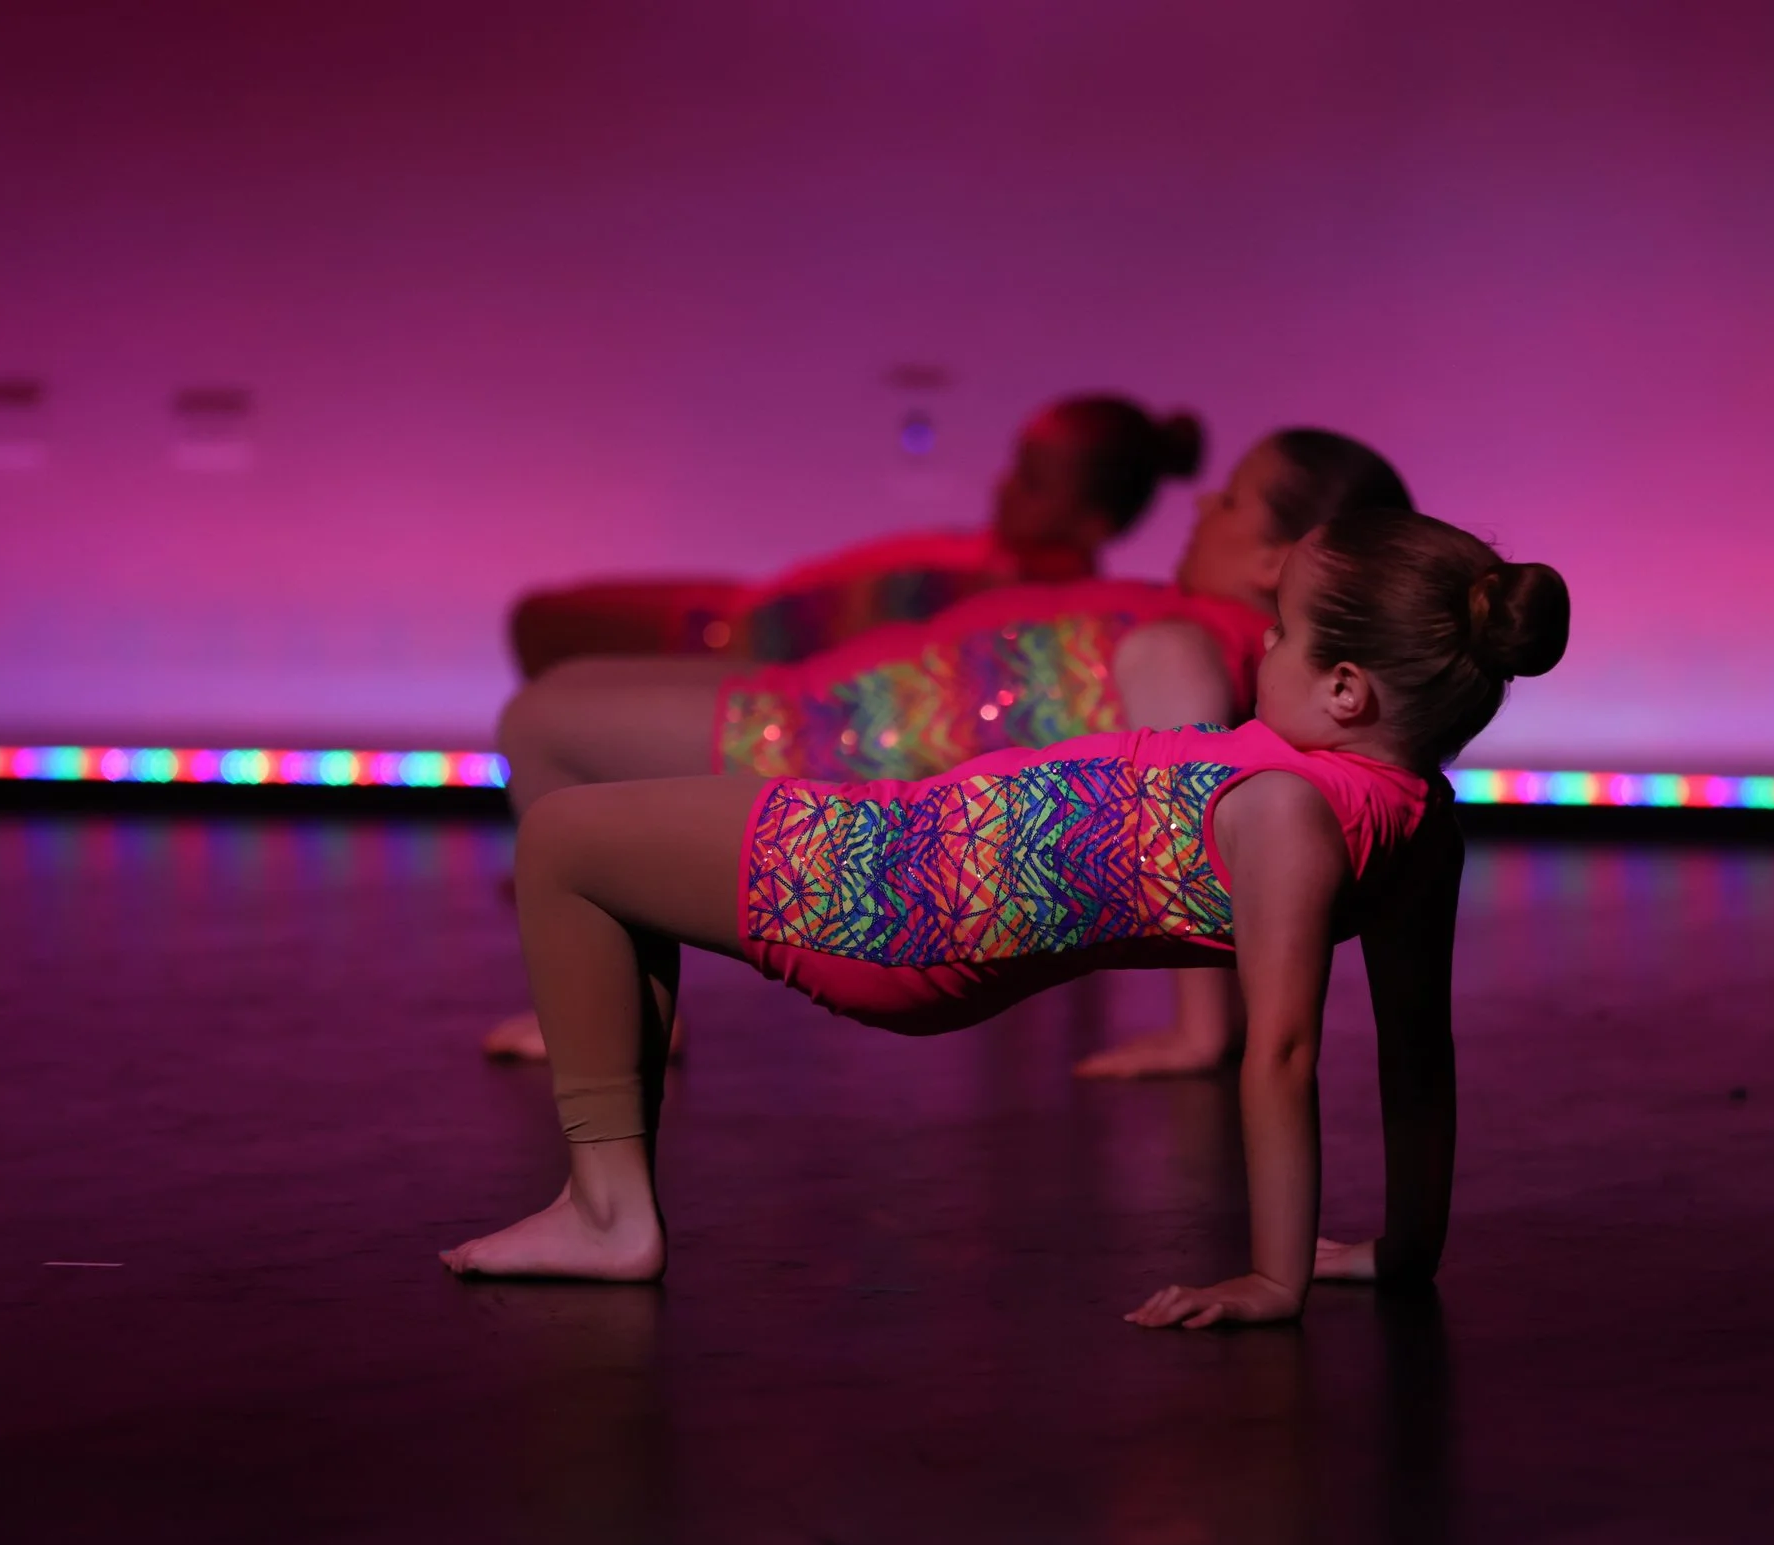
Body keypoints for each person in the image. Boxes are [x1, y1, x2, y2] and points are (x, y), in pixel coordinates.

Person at [440, 509, 1573, 1332]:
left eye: (1277, 634)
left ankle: (605, 1210)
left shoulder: (1289, 813)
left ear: (1344, 689)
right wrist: (1407, 1248)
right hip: (905, 843)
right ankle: (607, 1202)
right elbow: (1421, 1055)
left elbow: (1281, 1054)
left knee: (565, 839)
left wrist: (1274, 1279)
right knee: (607, 848)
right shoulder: (1418, 819)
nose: (1257, 652)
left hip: (888, 895)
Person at [485, 428, 1416, 1077]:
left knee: (544, 722)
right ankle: (617, 1011)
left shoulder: (1194, 633)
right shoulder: (1188, 615)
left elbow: (1189, 789)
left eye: (1233, 499)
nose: (1204, 504)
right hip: (816, 704)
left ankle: (605, 1017)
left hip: (821, 743)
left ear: (1277, 559)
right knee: (555, 709)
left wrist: (1198, 1030)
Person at [508, 395, 1203, 678]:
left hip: (734, 641)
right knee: (545, 618)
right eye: (1015, 465)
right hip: (741, 616)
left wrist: (726, 642)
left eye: (1030, 480)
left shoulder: (1020, 600)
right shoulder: (994, 562)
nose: (1002, 486)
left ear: (1093, 523)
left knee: (546, 625)